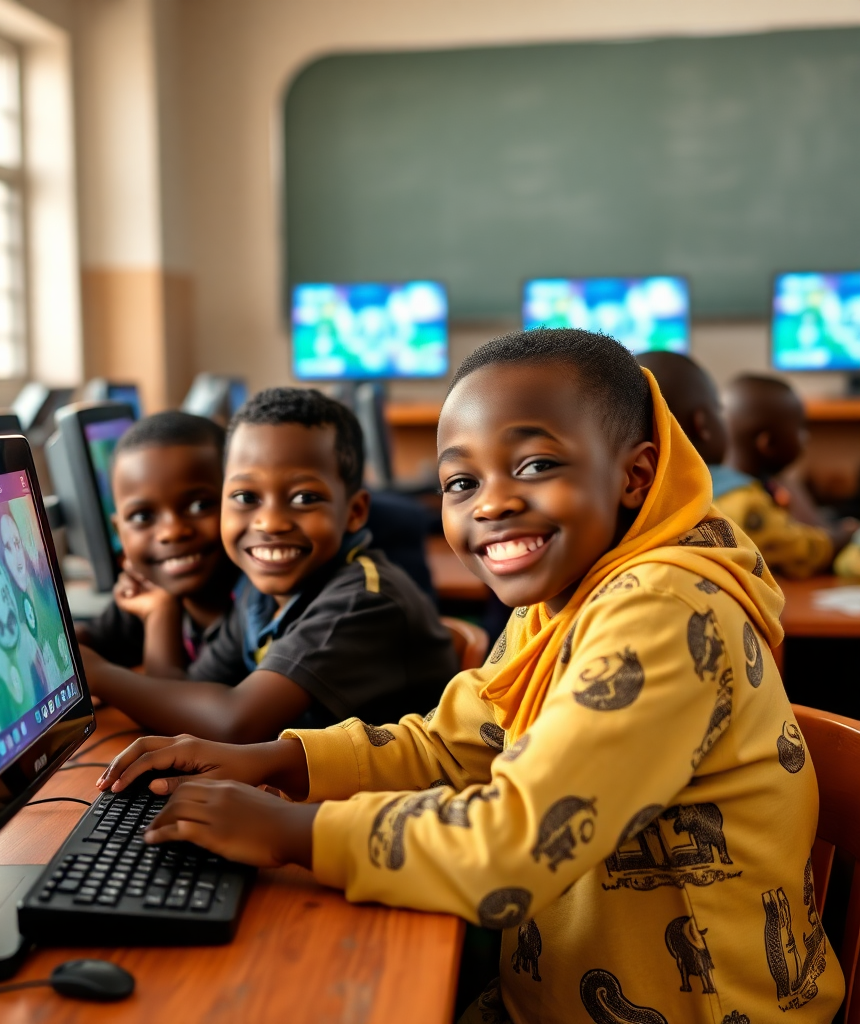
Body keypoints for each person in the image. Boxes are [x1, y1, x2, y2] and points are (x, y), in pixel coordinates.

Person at [98, 329, 844, 1024]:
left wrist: (292, 830)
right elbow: (455, 744)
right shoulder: (564, 597)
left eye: (536, 466)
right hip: (550, 992)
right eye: (460, 483)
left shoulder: (660, 613)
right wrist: (280, 761)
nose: (492, 502)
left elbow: (514, 843)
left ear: (634, 475)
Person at [80, 387, 457, 741]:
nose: (270, 523)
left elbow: (234, 722)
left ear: (355, 512)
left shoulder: (360, 602)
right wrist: (161, 611)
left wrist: (98, 675)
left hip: (404, 802)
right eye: (246, 496)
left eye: (304, 497)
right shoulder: (261, 592)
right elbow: (180, 698)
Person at [639, 353, 855, 578]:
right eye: (719, 411)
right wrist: (842, 537)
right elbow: (796, 550)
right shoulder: (742, 500)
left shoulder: (661, 499)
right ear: (702, 425)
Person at [74, 411, 239, 676]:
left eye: (199, 506)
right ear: (120, 530)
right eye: (142, 516)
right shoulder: (152, 583)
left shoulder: (256, 606)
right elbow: (93, 640)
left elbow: (175, 711)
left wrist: (160, 613)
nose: (172, 532)